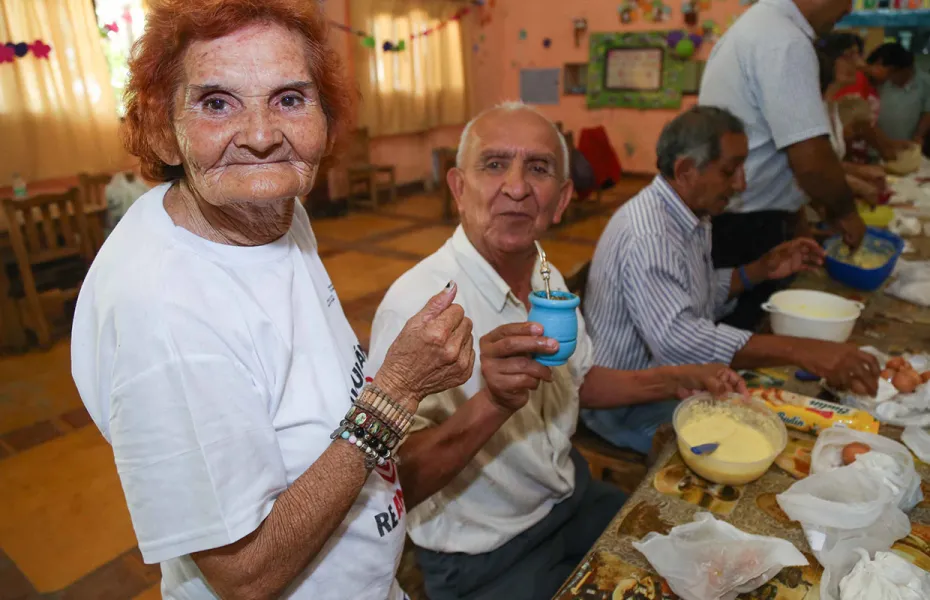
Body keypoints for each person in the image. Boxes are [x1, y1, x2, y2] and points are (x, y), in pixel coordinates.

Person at [70, 1, 475, 598]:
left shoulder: (273, 208)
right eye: (216, 102)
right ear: (163, 130)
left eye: (289, 98)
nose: (261, 137)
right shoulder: (164, 312)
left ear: (326, 118)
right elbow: (244, 576)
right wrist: (396, 393)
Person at [366, 102, 745, 600]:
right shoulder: (420, 307)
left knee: (701, 560)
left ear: (561, 199)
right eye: (495, 164)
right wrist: (493, 403)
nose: (518, 187)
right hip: (486, 555)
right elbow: (393, 485)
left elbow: (579, 381)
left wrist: (678, 378)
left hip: (570, 498)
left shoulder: (547, 276)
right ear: (459, 188)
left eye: (538, 169)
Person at [582, 107, 881, 452]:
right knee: (755, 445)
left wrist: (760, 269)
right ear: (685, 170)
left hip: (672, 383)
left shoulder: (690, 214)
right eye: (729, 171)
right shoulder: (650, 236)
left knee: (781, 418)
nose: (741, 184)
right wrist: (802, 349)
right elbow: (680, 342)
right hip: (624, 406)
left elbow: (698, 293)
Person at [698, 0, 866, 331]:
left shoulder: (763, 26)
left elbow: (778, 149)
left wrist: (797, 214)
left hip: (743, 218)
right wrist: (846, 211)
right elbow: (810, 158)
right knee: (744, 336)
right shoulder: (783, 40)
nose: (849, 8)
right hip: (743, 226)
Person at [816, 45, 888, 206]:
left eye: (857, 56)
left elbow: (829, 162)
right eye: (848, 56)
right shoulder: (812, 109)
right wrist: (857, 183)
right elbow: (810, 167)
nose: (858, 64)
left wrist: (859, 171)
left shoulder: (832, 106)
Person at [867, 42, 930, 149]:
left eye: (889, 72)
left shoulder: (925, 82)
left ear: (904, 69)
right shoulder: (878, 82)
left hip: (907, 147)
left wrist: (919, 135)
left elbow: (928, 112)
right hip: (875, 146)